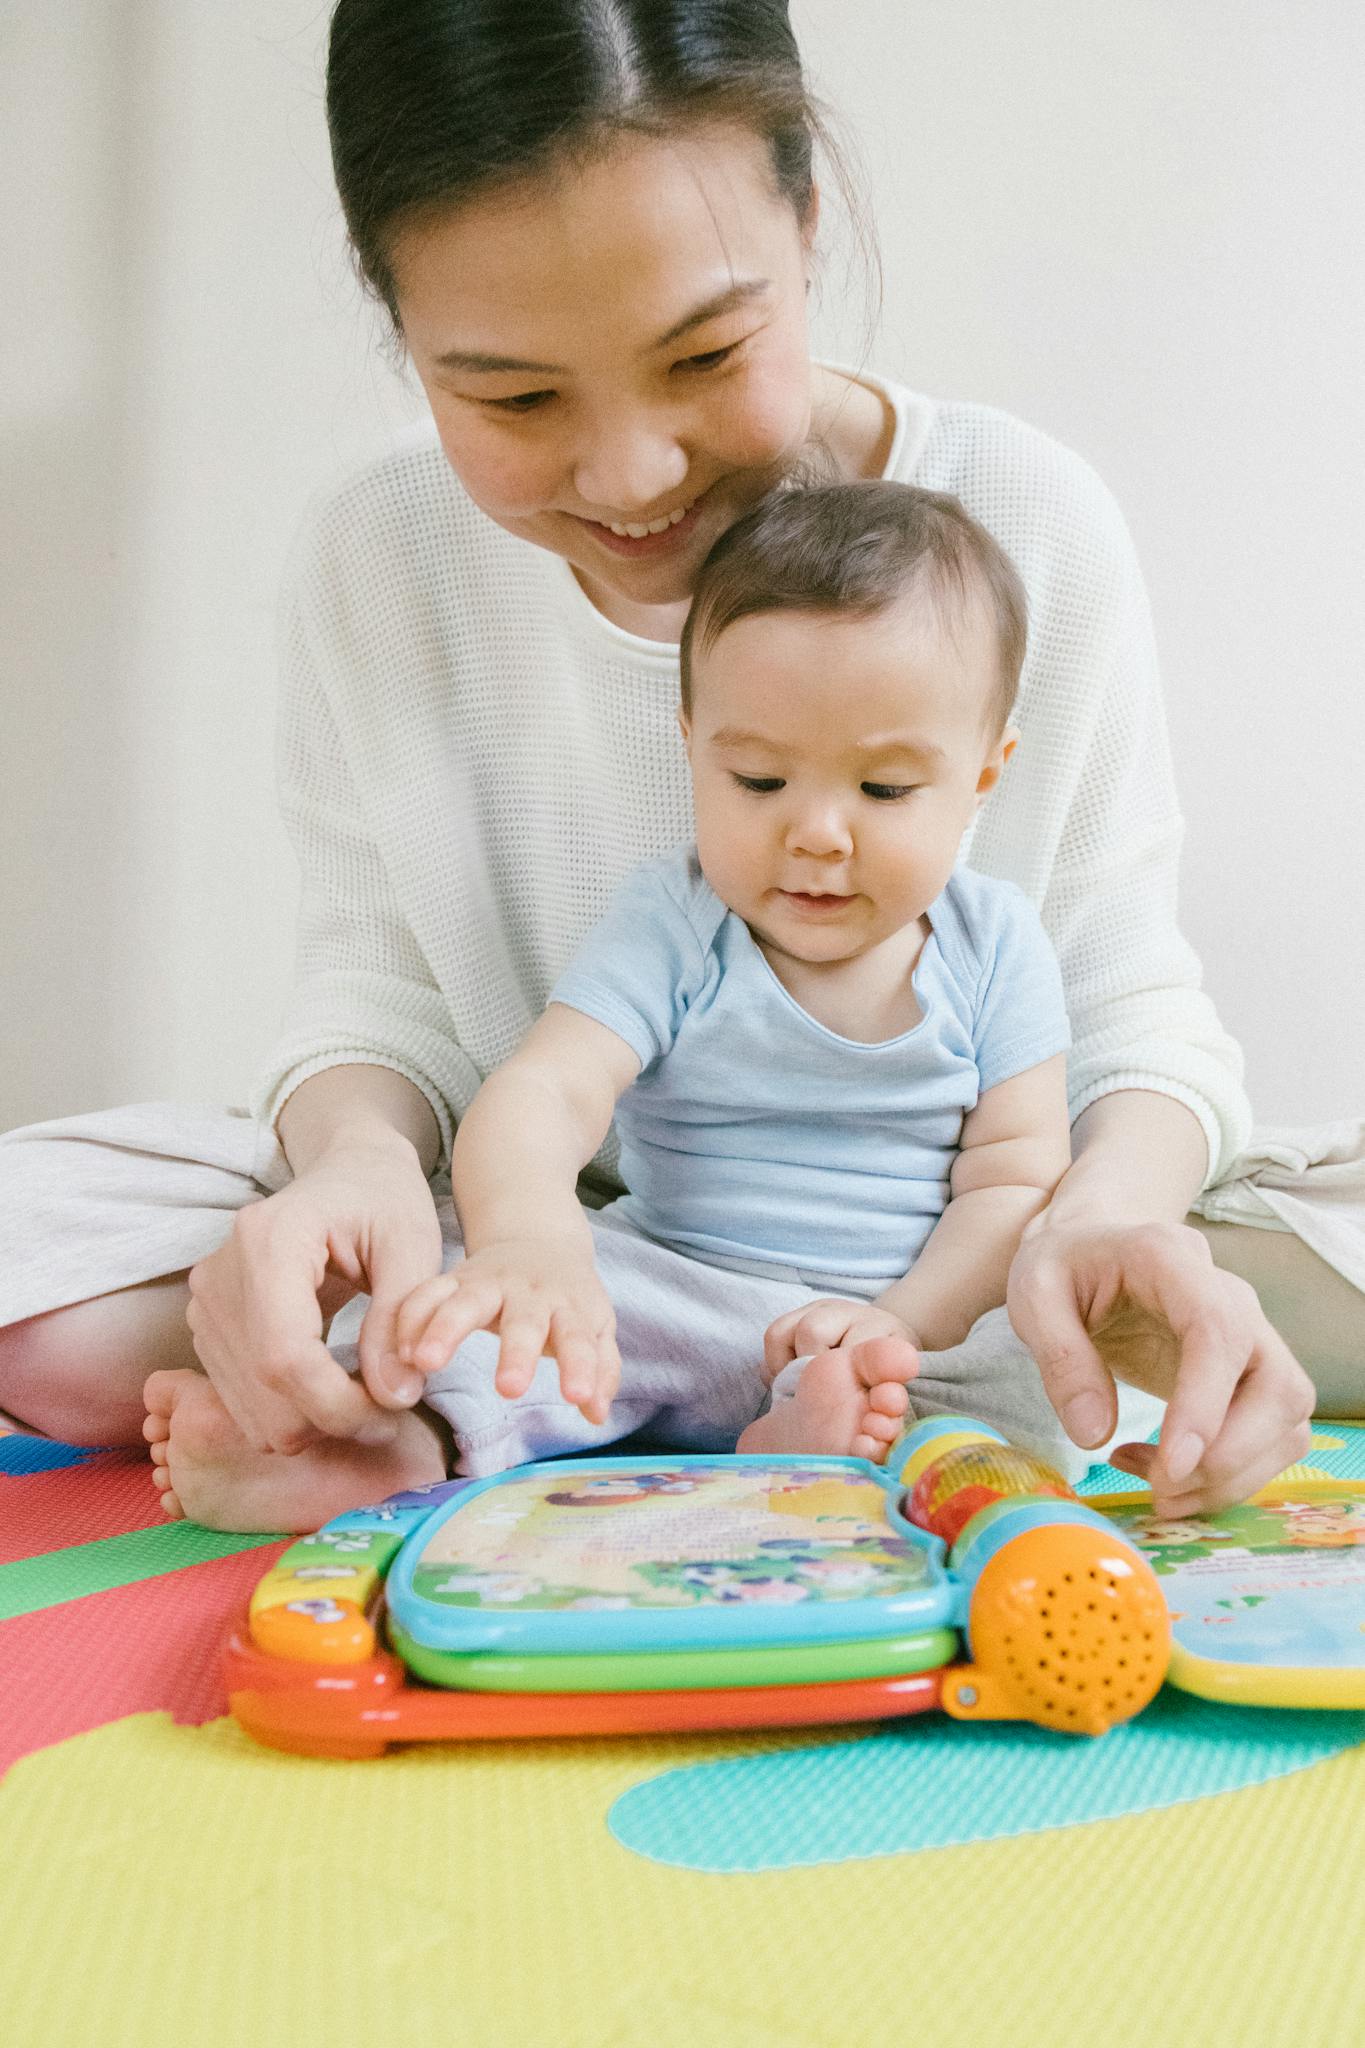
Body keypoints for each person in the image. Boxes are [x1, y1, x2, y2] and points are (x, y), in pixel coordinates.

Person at [2, 0, 1358, 1532]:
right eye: (513, 396)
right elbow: (380, 997)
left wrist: (1108, 1223)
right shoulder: (382, 554)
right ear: (393, 321)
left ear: (807, 219)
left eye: (706, 352)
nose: (634, 474)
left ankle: (1045, 1313)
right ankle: (476, 1356)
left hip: (968, 1241)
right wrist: (360, 1173)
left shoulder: (1023, 520)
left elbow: (1123, 1009)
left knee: (1233, 1251)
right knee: (34, 1265)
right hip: (566, 1231)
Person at [153, 479, 1085, 1525]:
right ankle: (374, 1444)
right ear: (693, 742)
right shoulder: (677, 921)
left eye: (882, 790)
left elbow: (1013, 1182)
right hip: (676, 1285)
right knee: (479, 1299)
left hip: (908, 1311)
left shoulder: (995, 945)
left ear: (985, 774)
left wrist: (891, 1322)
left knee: (1032, 1356)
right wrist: (533, 1242)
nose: (818, 831)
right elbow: (548, 1090)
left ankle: (809, 1437)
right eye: (761, 781)